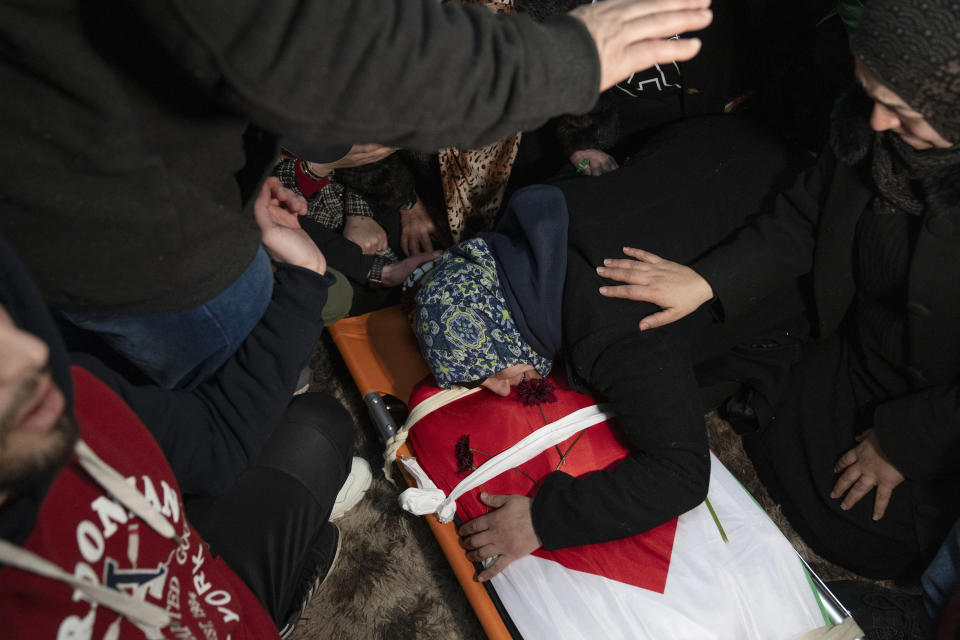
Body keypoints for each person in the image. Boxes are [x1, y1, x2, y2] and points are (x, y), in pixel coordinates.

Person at [0, 0, 713, 389]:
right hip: (137, 232)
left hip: (208, 178)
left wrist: (375, 210)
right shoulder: (324, 129)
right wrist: (363, 255)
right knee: (258, 334)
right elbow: (316, 66)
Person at [594, 0, 960, 579]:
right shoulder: (867, 122)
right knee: (712, 362)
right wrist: (707, 280)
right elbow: (805, 217)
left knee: (874, 533)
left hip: (938, 399)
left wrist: (901, 444)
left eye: (903, 112)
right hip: (859, 343)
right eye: (874, 95)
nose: (881, 123)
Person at [410, 113, 806, 581]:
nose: (497, 388)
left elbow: (682, 475)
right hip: (735, 136)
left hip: (803, 224)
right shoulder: (543, 208)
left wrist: (543, 520)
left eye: (486, 370)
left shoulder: (617, 330)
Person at [0, 224, 358, 638]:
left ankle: (269, 608)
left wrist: (307, 273)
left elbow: (215, 440)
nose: (34, 356)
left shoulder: (66, 392)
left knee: (320, 427)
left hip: (209, 590)